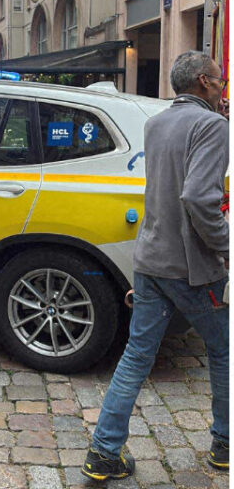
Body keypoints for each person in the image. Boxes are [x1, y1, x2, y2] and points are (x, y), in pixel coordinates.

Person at [83, 50, 229, 481]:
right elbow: (199, 199)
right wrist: (226, 243)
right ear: (204, 81)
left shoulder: (157, 121)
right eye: (220, 80)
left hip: (150, 258)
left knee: (136, 357)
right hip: (190, 266)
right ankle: (224, 443)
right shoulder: (212, 125)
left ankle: (103, 451)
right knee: (223, 352)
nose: (224, 88)